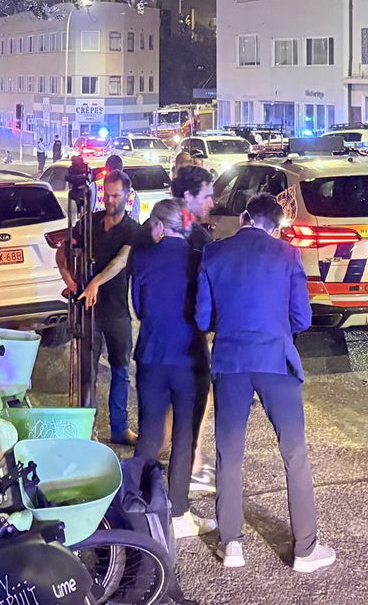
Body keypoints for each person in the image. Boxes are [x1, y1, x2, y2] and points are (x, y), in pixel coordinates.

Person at [195, 192, 333, 573]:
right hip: (275, 359)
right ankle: (305, 548)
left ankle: (232, 545)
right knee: (294, 453)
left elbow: (203, 318)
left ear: (244, 218)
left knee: (229, 453)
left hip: (230, 362)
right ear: (276, 227)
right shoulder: (288, 256)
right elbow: (302, 318)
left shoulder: (214, 255)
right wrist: (274, 329)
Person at [130, 200, 212, 539]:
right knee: (184, 438)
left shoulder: (143, 258)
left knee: (150, 433)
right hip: (190, 358)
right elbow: (206, 313)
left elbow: (138, 307)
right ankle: (178, 514)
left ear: (161, 226)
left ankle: (135, 503)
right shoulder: (199, 261)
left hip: (151, 355)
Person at [58, 170, 144, 445]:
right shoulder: (89, 223)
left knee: (120, 370)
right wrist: (69, 279)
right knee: (88, 373)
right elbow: (62, 250)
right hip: (87, 310)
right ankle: (88, 429)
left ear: (127, 197)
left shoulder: (133, 230)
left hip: (116, 311)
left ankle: (119, 428)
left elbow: (121, 261)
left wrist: (95, 282)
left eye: (115, 196)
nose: (109, 200)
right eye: (106, 195)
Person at [170, 162, 218, 494]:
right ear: (188, 196)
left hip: (161, 333)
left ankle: (180, 460)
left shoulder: (154, 229)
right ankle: (192, 463)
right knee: (198, 397)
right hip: (190, 330)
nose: (212, 203)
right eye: (207, 196)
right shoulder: (199, 238)